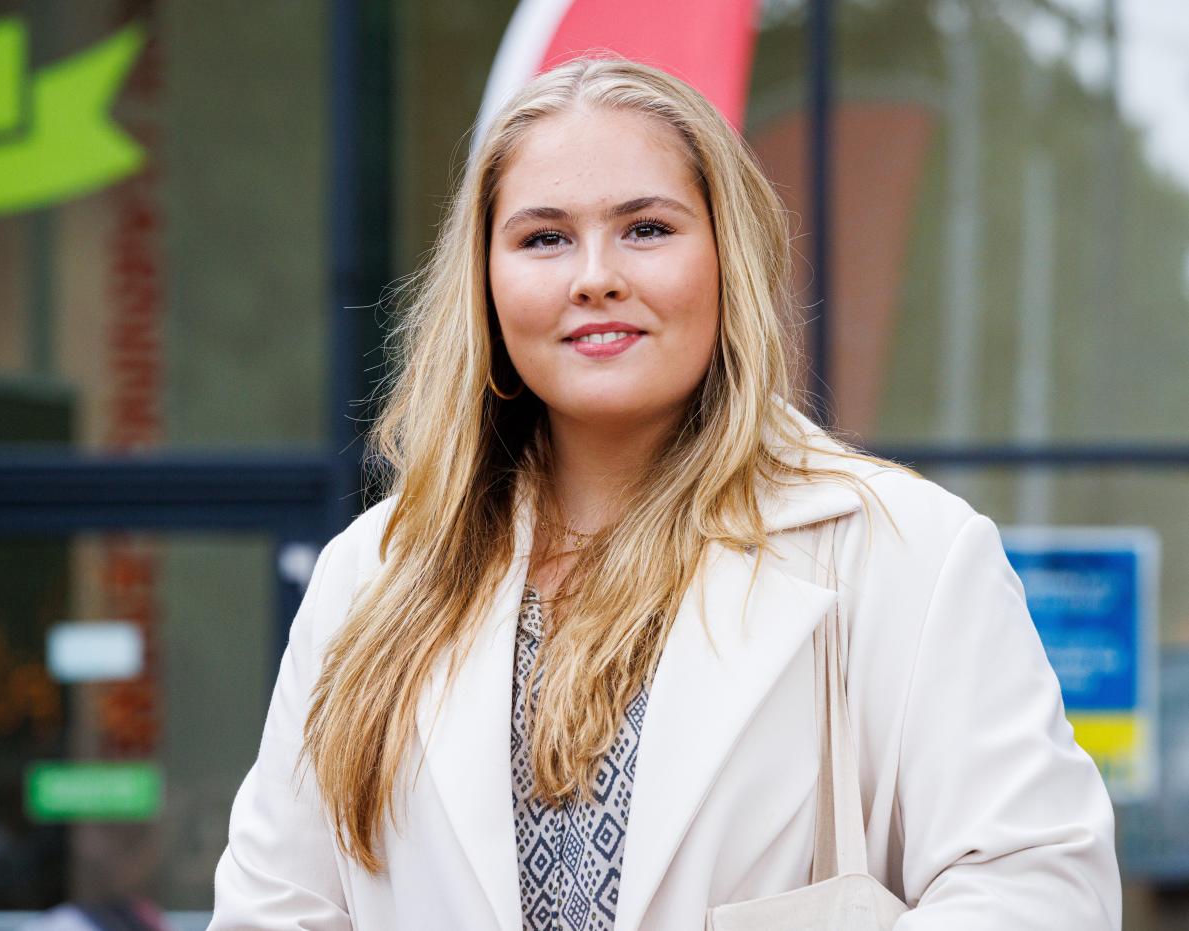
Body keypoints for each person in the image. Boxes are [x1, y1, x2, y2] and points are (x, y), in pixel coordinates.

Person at [208, 58, 1120, 930]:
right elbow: (277, 907)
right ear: (484, 284)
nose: (594, 274)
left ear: (728, 260)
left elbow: (1036, 888)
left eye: (646, 228)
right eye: (543, 237)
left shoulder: (902, 550)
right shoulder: (370, 576)